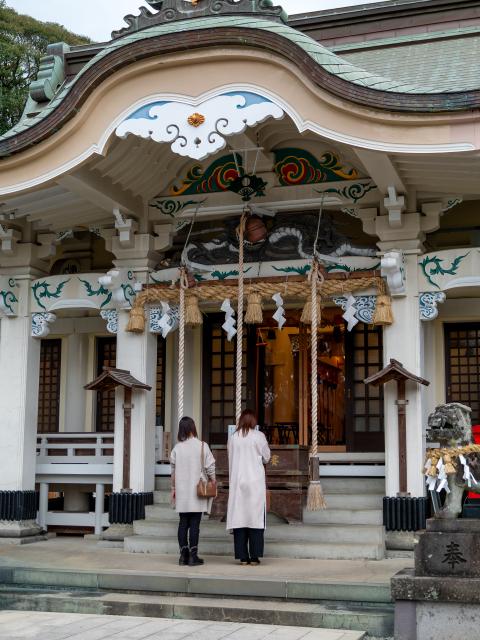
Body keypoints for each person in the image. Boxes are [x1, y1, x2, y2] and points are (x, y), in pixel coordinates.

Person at [226, 409, 271, 565]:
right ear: (253, 421)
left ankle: (242, 556)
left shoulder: (233, 438)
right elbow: (267, 457)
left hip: (238, 481)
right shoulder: (259, 436)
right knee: (255, 519)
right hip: (255, 482)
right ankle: (255, 556)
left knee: (240, 518)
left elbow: (230, 458)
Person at [170, 416, 216, 567]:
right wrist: (213, 480)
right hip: (198, 489)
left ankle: (183, 556)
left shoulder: (177, 448)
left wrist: (173, 489)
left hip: (182, 490)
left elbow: (173, 472)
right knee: (195, 523)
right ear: (193, 428)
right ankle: (193, 556)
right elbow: (210, 466)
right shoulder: (202, 445)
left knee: (183, 523)